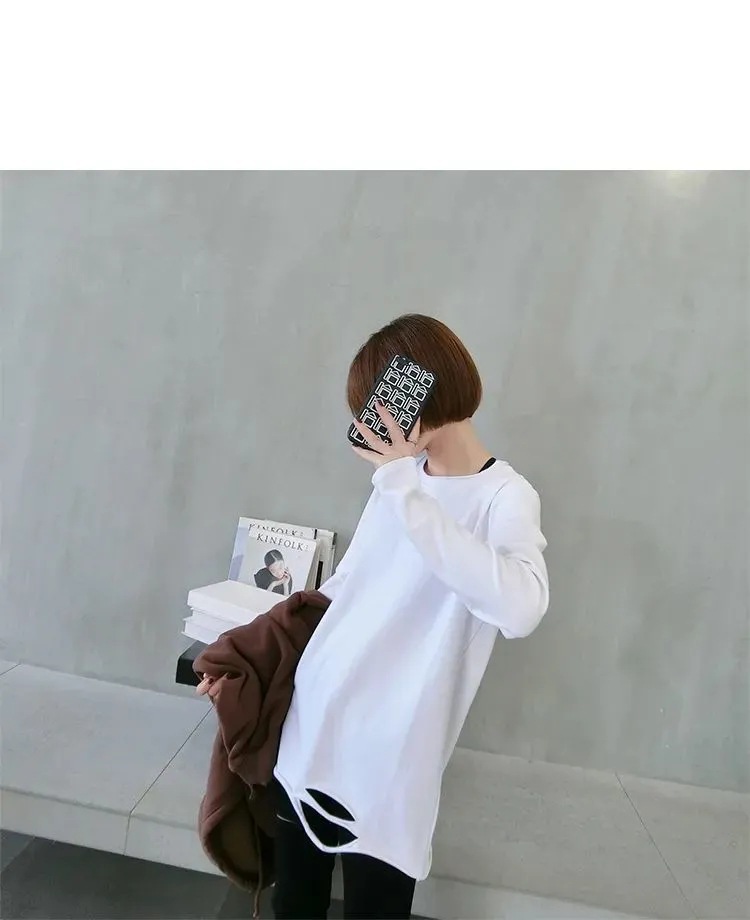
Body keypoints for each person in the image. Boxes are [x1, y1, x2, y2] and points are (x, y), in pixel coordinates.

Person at [205, 314, 549, 920]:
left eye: (388, 396)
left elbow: (520, 609)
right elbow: (346, 588)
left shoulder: (504, 496)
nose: (380, 415)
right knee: (295, 906)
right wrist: (246, 658)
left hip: (392, 757)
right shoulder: (398, 482)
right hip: (311, 725)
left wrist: (400, 486)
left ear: (430, 386)